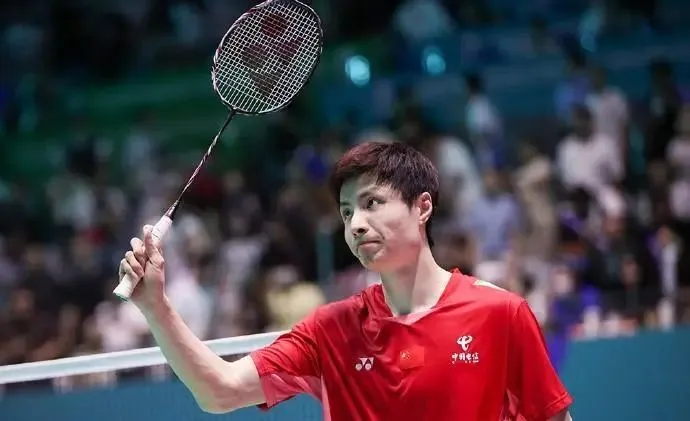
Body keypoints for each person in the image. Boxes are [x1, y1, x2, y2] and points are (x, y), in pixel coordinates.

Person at [120, 141, 573, 420]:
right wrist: (155, 305)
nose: (356, 224)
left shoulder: (499, 314)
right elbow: (219, 391)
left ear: (422, 207)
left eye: (372, 203)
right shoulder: (330, 332)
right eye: (346, 211)